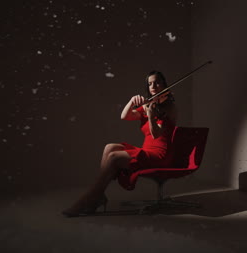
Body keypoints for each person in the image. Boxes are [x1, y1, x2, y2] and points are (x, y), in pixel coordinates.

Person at [62, 71, 177, 217]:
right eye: (149, 84)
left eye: (157, 82)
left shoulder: (170, 108)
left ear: (164, 85)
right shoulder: (150, 105)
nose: (153, 86)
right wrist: (132, 101)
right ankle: (98, 194)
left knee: (114, 157)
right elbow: (125, 116)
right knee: (110, 147)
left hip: (160, 155)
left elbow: (156, 134)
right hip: (147, 151)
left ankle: (89, 198)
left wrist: (150, 116)